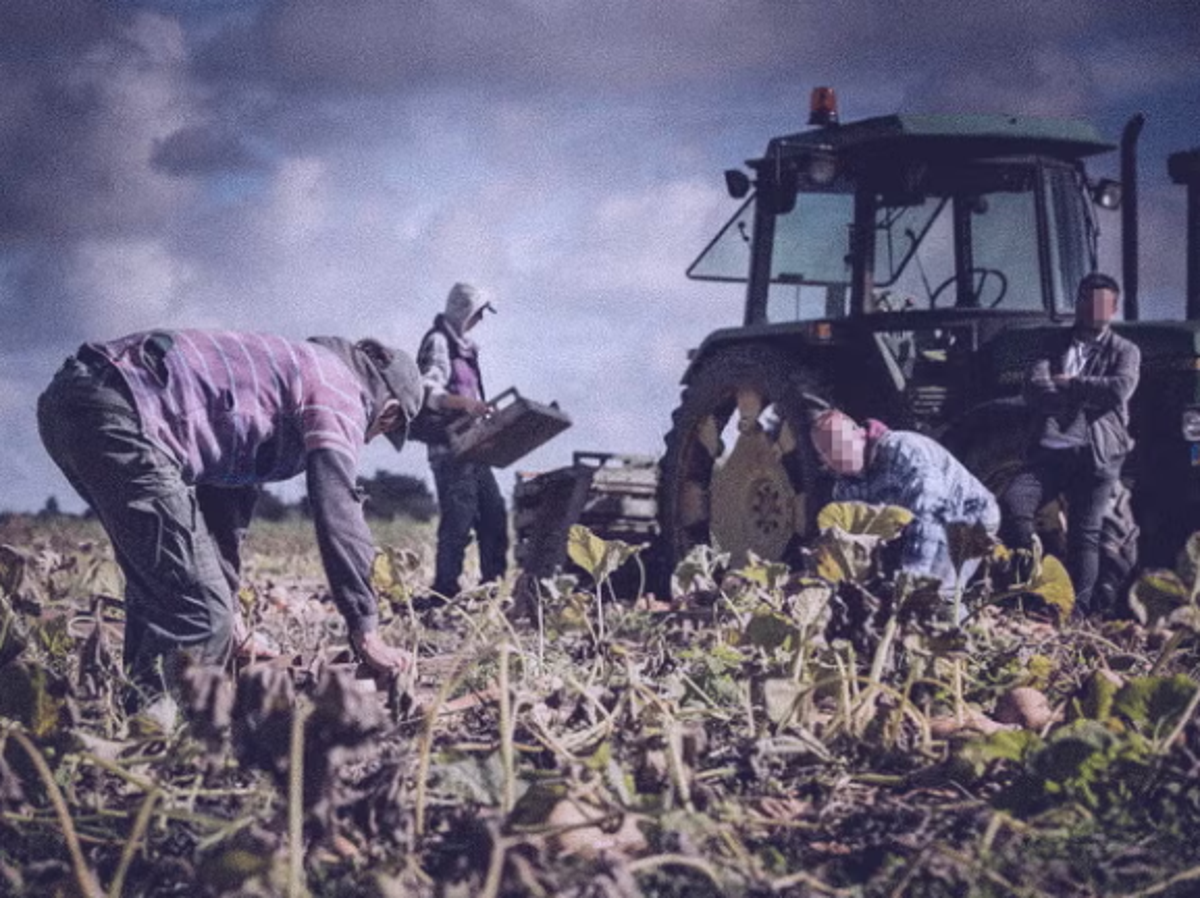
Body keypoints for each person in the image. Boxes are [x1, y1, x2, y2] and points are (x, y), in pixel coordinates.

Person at [37, 328, 423, 712]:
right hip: (123, 408)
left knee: (167, 589)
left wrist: (233, 619)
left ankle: (135, 716)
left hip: (74, 401)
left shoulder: (287, 376)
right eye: (381, 431)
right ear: (388, 414)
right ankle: (155, 740)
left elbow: (223, 513)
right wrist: (366, 631)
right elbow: (337, 504)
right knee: (197, 613)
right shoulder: (340, 387)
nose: (368, 440)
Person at [999, 273, 1141, 617]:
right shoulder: (1052, 344)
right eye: (1091, 302)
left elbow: (1118, 389)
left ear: (1115, 308)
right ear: (1079, 304)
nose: (1097, 310)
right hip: (1051, 452)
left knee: (1085, 535)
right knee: (1013, 501)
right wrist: (1078, 393)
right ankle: (1027, 594)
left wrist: (1071, 384)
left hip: (1096, 456)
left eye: (1105, 304)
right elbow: (1033, 387)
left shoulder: (1126, 350)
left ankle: (1077, 616)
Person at [810, 409, 1001, 599]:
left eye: (841, 443)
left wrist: (913, 575)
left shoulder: (902, 451)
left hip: (967, 515)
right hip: (914, 529)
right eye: (827, 452)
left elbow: (931, 516)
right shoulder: (844, 490)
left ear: (858, 433)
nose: (838, 455)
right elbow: (848, 545)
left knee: (936, 597)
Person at [416, 282, 509, 602]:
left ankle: (493, 586)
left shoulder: (466, 348)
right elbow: (428, 392)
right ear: (463, 311)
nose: (480, 320)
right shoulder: (440, 343)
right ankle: (444, 590)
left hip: (474, 446)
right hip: (450, 448)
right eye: (478, 313)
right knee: (458, 519)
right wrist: (467, 405)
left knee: (494, 515)